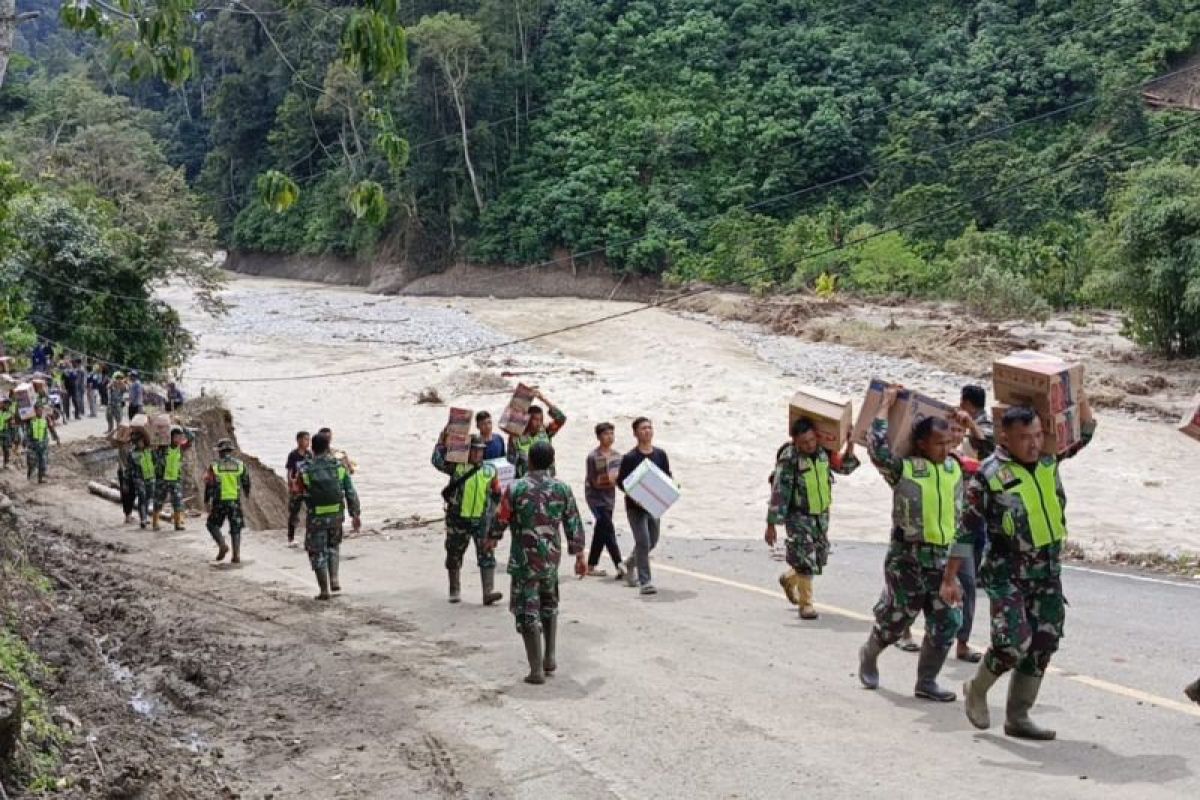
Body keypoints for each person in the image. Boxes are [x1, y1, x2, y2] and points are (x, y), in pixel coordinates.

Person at [961, 402, 1096, 740]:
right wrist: (950, 578)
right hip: (1007, 573)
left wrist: (1076, 394)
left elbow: (1088, 430)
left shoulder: (1050, 459)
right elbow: (965, 531)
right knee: (1012, 643)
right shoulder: (989, 475)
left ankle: (1017, 717)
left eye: (1038, 435)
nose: (1034, 444)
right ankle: (977, 689)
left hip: (1047, 571)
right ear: (1004, 437)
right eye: (1025, 438)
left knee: (1044, 642)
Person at [857, 386, 967, 702]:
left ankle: (926, 681)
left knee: (947, 622)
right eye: (938, 443)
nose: (945, 449)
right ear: (921, 444)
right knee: (896, 620)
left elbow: (987, 451)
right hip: (907, 558)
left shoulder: (955, 468)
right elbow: (877, 450)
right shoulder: (904, 469)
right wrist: (884, 408)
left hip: (943, 561)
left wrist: (964, 421)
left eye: (949, 443)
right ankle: (870, 652)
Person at [493, 442, 585, 685]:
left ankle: (536, 670)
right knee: (549, 603)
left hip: (524, 561)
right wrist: (579, 555)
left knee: (527, 611)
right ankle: (550, 657)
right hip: (550, 559)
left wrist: (491, 540)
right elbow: (573, 522)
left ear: (530, 461)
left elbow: (500, 519)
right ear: (552, 461)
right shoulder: (562, 488)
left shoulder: (516, 488)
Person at [764, 418, 860, 620]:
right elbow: (779, 492)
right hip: (798, 516)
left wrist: (850, 442)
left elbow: (846, 467)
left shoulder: (824, 452)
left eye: (811, 440)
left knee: (819, 558)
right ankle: (805, 604)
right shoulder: (790, 459)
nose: (809, 445)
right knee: (806, 560)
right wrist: (771, 524)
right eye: (804, 443)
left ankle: (790, 578)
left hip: (821, 515)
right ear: (795, 442)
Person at [432, 431, 504, 605]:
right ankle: (454, 589)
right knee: (454, 554)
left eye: (480, 450)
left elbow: (496, 494)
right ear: (467, 451)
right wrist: (441, 441)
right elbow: (436, 461)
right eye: (474, 450)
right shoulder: (457, 467)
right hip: (458, 520)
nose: (478, 453)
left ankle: (488, 592)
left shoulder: (490, 470)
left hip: (481, 521)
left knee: (486, 555)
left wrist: (494, 518)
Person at [300, 430, 362, 601]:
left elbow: (298, 494)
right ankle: (334, 578)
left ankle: (324, 590)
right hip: (336, 515)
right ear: (328, 447)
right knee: (333, 546)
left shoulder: (305, 469)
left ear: (313, 448)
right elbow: (350, 492)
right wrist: (355, 514)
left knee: (317, 551)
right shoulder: (339, 467)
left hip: (316, 517)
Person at [616, 416, 672, 595]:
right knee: (643, 541)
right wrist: (635, 495)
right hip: (636, 507)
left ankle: (629, 563)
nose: (647, 431)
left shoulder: (660, 454)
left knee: (652, 541)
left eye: (649, 427)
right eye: (643, 428)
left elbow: (666, 476)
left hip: (654, 505)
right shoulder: (630, 457)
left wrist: (671, 489)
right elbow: (621, 482)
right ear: (635, 433)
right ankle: (645, 581)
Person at [584, 422, 625, 579]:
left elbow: (621, 479)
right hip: (596, 498)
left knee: (601, 531)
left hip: (609, 498)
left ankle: (590, 566)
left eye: (611, 433)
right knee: (608, 529)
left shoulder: (617, 456)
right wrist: (614, 480)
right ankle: (620, 564)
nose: (609, 436)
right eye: (606, 434)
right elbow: (597, 482)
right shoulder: (595, 457)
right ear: (599, 437)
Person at [204, 439, 251, 563]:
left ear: (220, 451)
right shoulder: (240, 465)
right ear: (231, 451)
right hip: (234, 501)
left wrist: (206, 499)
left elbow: (209, 484)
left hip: (219, 501)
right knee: (236, 527)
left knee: (211, 524)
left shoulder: (214, 465)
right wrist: (246, 493)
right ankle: (236, 555)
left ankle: (222, 545)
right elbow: (246, 482)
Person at [507, 388, 566, 478]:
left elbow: (561, 418)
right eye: (535, 419)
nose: (539, 423)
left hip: (547, 480)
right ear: (527, 419)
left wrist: (543, 399)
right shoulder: (516, 436)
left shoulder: (546, 431)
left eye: (541, 420)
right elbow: (510, 461)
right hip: (526, 482)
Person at [156, 427, 192, 532]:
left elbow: (191, 437)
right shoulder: (163, 448)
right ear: (171, 437)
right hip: (163, 479)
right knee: (159, 500)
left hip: (175, 479)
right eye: (176, 436)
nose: (179, 439)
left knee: (177, 502)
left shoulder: (180, 448)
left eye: (180, 437)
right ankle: (155, 523)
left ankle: (177, 525)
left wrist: (182, 427)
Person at [285, 431, 313, 545]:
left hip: (308, 487)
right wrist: (290, 484)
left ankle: (310, 536)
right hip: (297, 487)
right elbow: (290, 471)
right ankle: (291, 538)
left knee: (311, 512)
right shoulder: (293, 455)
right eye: (306, 439)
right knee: (294, 512)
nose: (308, 442)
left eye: (309, 439)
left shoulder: (309, 454)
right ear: (299, 440)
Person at [24, 403, 60, 483]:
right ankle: (30, 474)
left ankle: (40, 478)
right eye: (37, 410)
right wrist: (25, 441)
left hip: (43, 444)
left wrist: (56, 438)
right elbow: (27, 431)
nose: (39, 411)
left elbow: (51, 429)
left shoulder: (46, 419)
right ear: (35, 411)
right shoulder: (30, 419)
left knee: (43, 462)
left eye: (41, 410)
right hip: (33, 444)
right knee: (32, 462)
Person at [960, 384, 995, 459]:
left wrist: (972, 427)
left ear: (969, 405)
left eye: (963, 403)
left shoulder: (986, 425)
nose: (960, 406)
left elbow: (985, 445)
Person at [131, 433, 157, 529]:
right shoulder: (133, 453)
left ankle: (145, 516)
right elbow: (130, 468)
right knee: (142, 496)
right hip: (139, 478)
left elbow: (155, 461)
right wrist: (128, 480)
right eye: (138, 442)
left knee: (148, 497)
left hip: (150, 477)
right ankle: (143, 519)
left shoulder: (149, 451)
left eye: (141, 441)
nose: (140, 443)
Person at [116, 440, 138, 525]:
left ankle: (129, 514)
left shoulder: (133, 446)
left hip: (132, 472)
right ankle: (127, 516)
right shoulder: (121, 445)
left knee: (132, 493)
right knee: (126, 493)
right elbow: (109, 439)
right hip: (123, 471)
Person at [0, 398, 15, 469]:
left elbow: (12, 425)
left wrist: (12, 437)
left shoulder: (10, 414)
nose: (6, 406)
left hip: (6, 433)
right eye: (5, 404)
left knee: (6, 448)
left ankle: (6, 463)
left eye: (8, 405)